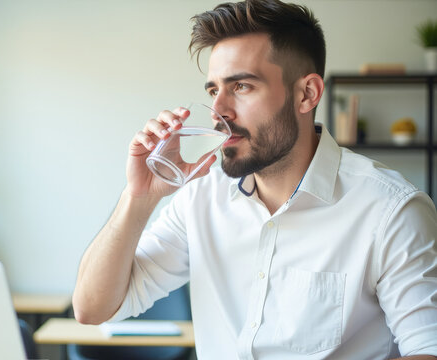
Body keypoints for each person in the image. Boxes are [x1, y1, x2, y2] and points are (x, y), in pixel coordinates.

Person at [72, 0, 437, 359]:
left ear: (306, 94)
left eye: (242, 86)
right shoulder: (199, 200)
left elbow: (428, 349)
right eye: (214, 90)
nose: (219, 112)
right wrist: (139, 196)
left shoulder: (391, 210)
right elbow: (92, 309)